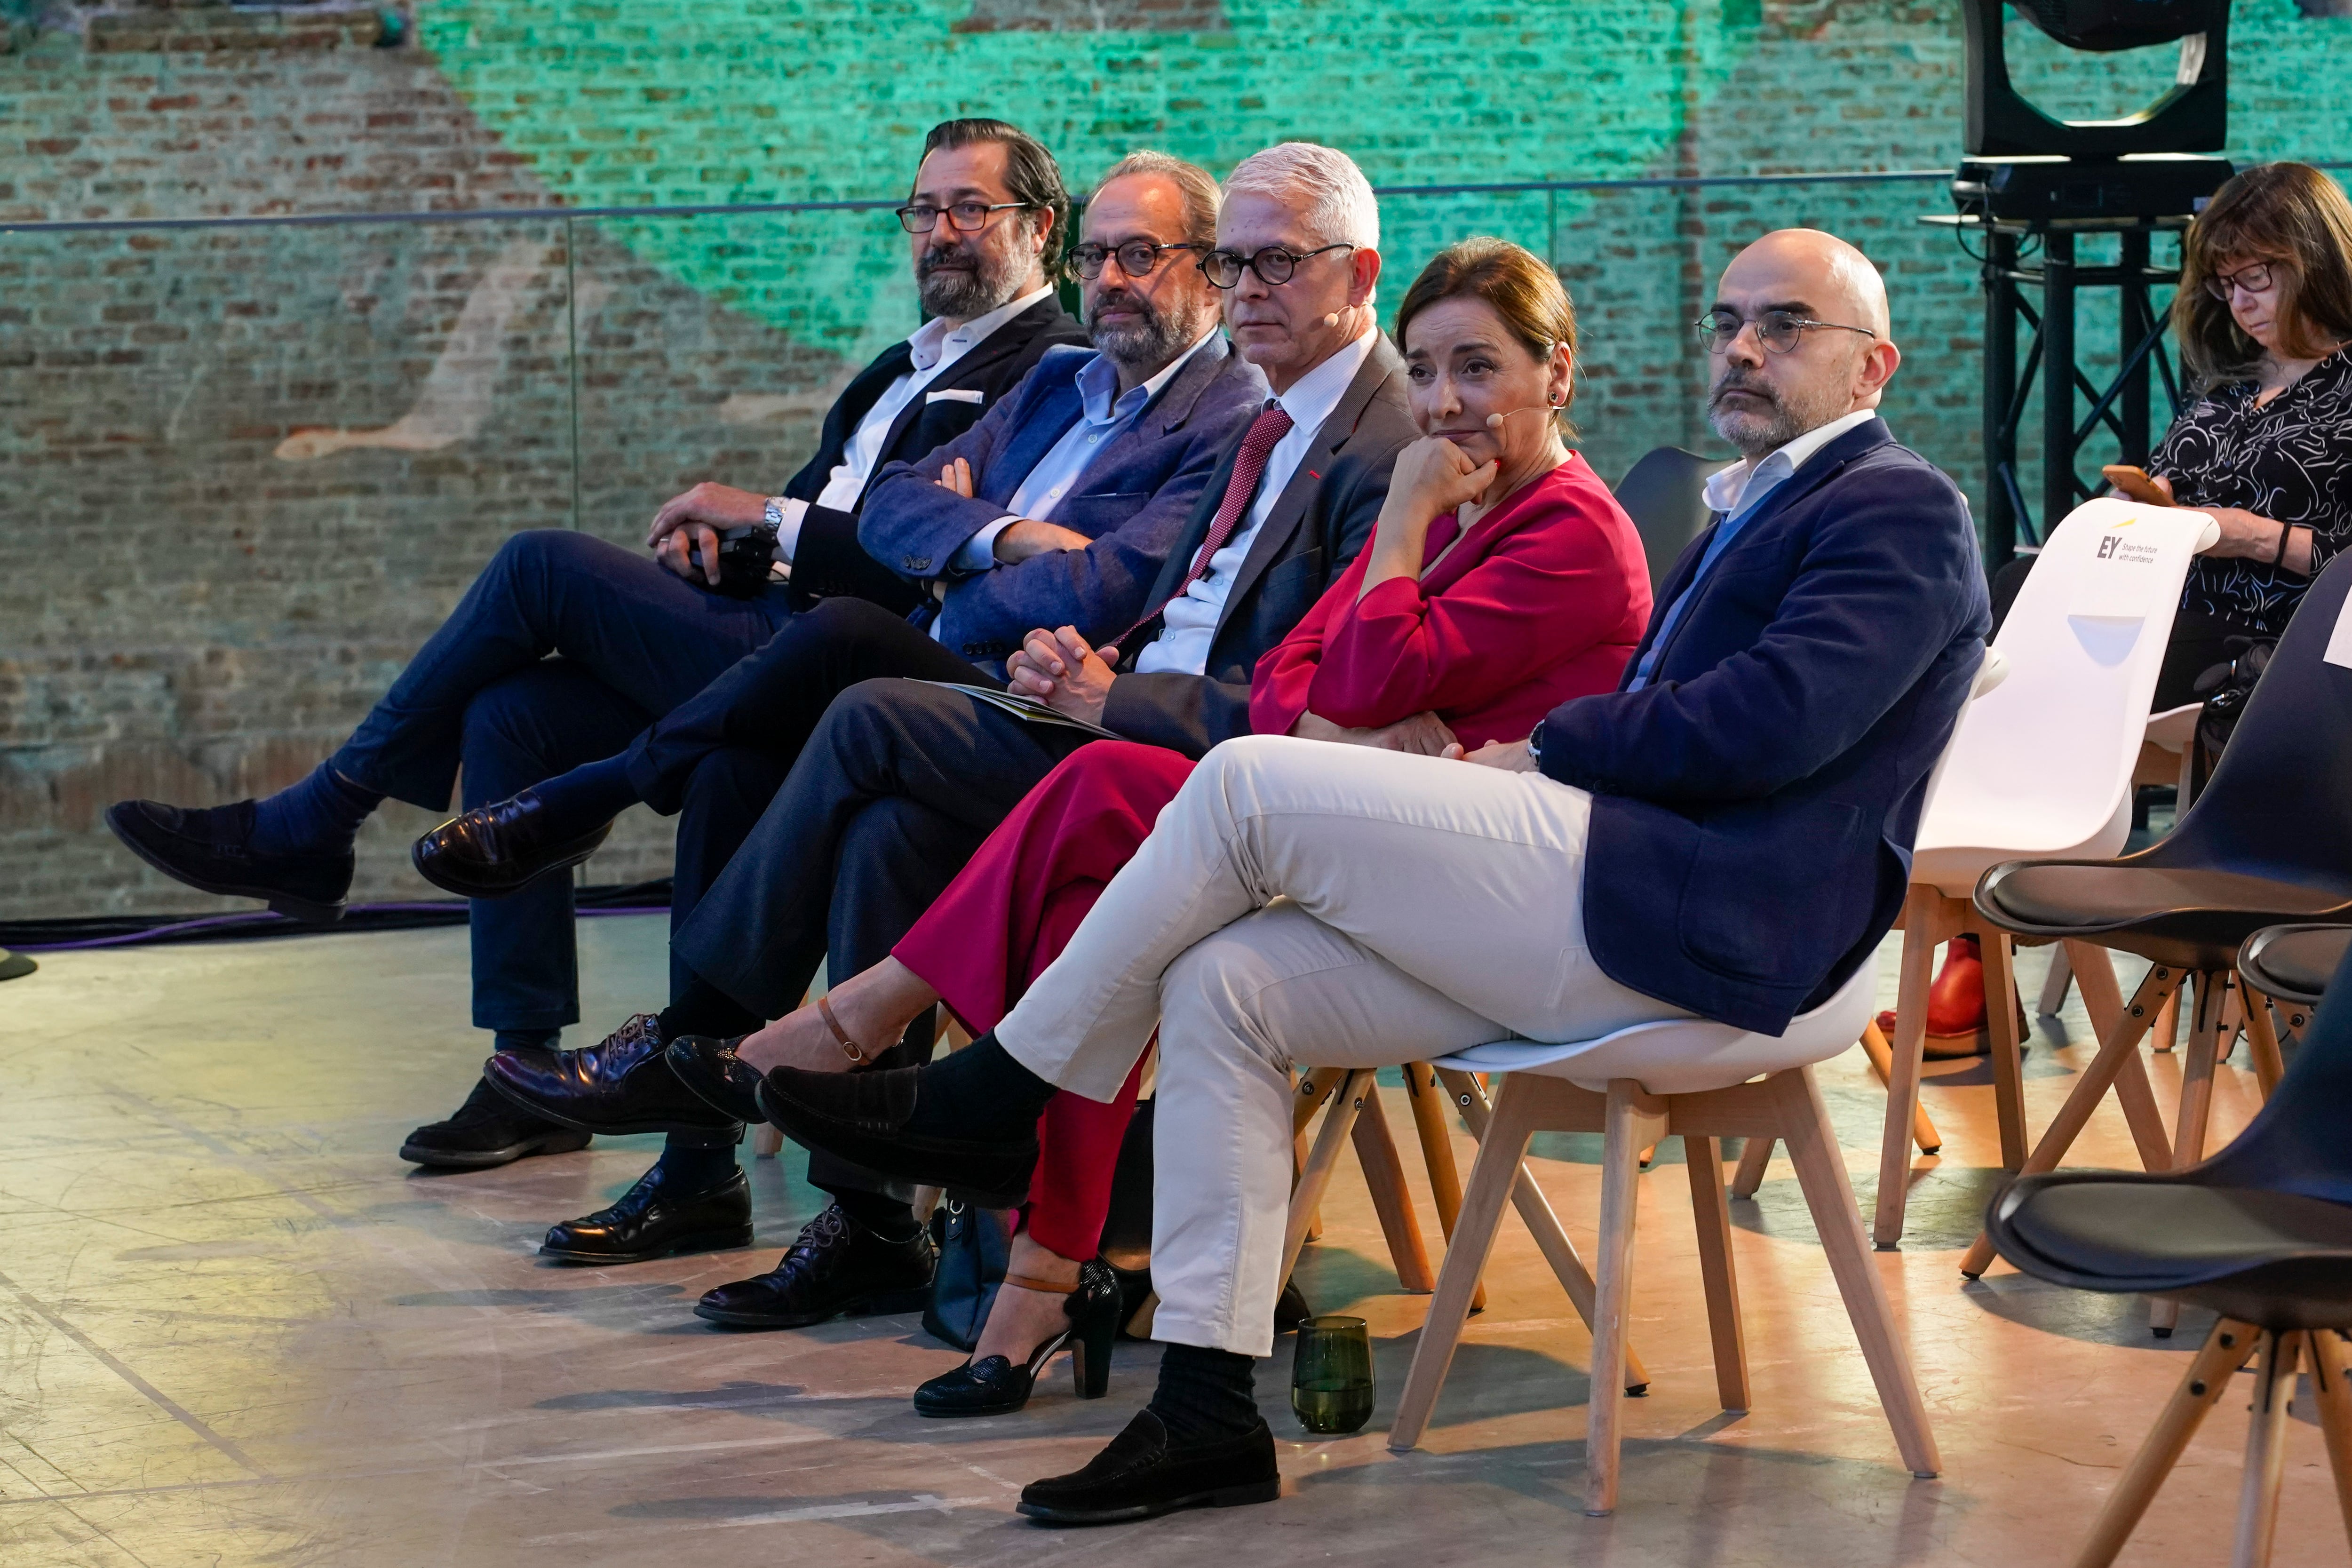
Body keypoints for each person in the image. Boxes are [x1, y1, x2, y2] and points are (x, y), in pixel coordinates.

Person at [758, 229, 1992, 1524]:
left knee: (1238, 782)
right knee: (1227, 982)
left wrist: (1547, 738)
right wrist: (1499, 743)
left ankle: (1007, 1083)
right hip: (1621, 883)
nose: (1743, 347)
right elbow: (1330, 683)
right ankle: (1206, 1405)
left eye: (1785, 325)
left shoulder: (1896, 503)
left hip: (1721, 931)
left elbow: (1769, 723)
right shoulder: (1760, 497)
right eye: (1730, 320)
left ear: (1875, 367)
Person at [660, 235, 1651, 1417]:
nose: (1445, 405)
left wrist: (1396, 525)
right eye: (1430, 372)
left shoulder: (1565, 530)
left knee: (1101, 789)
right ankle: (1036, 1276)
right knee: (1097, 878)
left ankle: (858, 1026)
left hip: (1459, 883)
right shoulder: (1462, 506)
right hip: (1336, 825)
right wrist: (1340, 731)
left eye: (1477, 370)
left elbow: (1372, 664)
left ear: (1560, 375)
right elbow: (1289, 673)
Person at [482, 144, 1417, 1313]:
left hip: (1176, 764)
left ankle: (690, 1025)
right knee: (868, 809)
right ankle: (869, 1217)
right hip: (1060, 694)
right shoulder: (1182, 401)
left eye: (1261, 262)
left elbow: (1185, 618)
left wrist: (1012, 600)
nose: (1237, 290)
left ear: (1358, 271)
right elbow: (892, 512)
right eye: (1233, 264)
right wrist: (1009, 555)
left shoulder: (1296, 424)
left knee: (852, 677)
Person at [101, 118, 1087, 1170]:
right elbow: (840, 529)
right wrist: (735, 549)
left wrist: (767, 515)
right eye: (925, 209)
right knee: (511, 713)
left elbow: (936, 566)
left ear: (1042, 228)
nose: (942, 232)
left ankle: (319, 816)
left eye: (972, 209)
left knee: (540, 565)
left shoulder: (1052, 369)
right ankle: (525, 1063)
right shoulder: (900, 364)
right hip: (774, 622)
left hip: (852, 668)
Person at [1925, 161, 2352, 1051]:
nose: (2239, 301)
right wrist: (2145, 504)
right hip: (2172, 601)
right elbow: (2179, 489)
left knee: (2028, 657)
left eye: (2259, 276)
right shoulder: (2228, 388)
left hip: (2280, 627)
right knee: (2009, 591)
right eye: (2227, 281)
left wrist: (2246, 533)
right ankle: (1977, 899)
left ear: (2315, 258)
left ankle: (1983, 926)